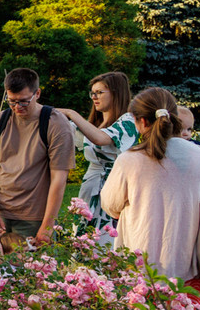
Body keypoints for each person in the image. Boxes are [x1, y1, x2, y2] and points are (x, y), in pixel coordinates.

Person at [102, 88, 200, 302]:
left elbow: (110, 205)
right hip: (188, 264)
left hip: (138, 267)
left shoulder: (129, 159)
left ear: (141, 122)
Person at [0, 68, 77, 277]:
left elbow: (59, 180)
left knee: (30, 283)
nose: (17, 107)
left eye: (23, 101)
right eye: (12, 101)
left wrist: (48, 226)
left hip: (33, 218)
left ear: (37, 94)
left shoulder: (56, 124)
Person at [57, 72, 139, 233]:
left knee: (105, 240)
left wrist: (71, 113)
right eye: (92, 93)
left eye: (100, 92)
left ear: (116, 93)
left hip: (113, 188)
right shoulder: (96, 125)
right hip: (91, 186)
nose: (94, 97)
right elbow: (68, 133)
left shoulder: (128, 121)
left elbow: (101, 139)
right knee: (83, 240)